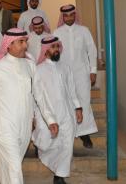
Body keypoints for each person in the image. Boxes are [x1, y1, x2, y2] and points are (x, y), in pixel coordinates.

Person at [0, 28, 59, 184]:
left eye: (25, 42)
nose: (25, 46)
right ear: (8, 45)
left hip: (24, 127)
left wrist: (50, 119)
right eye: (20, 42)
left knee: (8, 169)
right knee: (15, 169)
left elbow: (40, 95)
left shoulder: (30, 65)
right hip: (2, 127)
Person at [32, 36, 83, 184]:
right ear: (45, 50)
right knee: (46, 142)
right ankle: (37, 142)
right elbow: (35, 95)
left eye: (57, 46)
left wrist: (78, 107)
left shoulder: (65, 67)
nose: (57, 49)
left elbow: (72, 90)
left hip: (67, 112)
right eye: (53, 47)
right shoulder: (38, 70)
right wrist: (34, 115)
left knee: (67, 143)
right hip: (47, 113)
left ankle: (59, 176)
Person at [53, 4, 98, 148]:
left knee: (84, 100)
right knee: (66, 101)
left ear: (75, 15)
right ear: (62, 17)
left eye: (71, 15)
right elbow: (53, 53)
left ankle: (85, 133)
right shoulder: (57, 32)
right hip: (64, 73)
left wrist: (93, 71)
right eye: (65, 16)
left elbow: (92, 50)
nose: (68, 18)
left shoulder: (84, 31)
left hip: (82, 73)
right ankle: (69, 132)